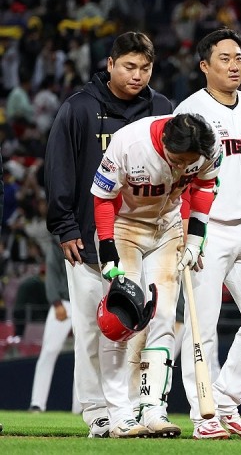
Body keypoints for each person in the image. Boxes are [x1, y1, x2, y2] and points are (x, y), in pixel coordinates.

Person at [44, 32, 173, 438]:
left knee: (139, 327)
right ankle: (97, 411)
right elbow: (59, 169)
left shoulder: (162, 108)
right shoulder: (79, 109)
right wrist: (64, 225)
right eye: (130, 66)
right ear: (111, 64)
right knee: (89, 327)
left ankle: (133, 408)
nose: (138, 75)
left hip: (145, 235)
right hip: (87, 235)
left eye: (145, 68)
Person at [173, 28, 241, 440]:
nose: (235, 64)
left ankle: (225, 398)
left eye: (238, 57)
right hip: (206, 229)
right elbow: (178, 173)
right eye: (225, 58)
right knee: (202, 324)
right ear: (204, 65)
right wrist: (188, 230)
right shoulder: (190, 111)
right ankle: (203, 413)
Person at [90, 112, 221, 438]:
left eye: (187, 163)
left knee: (163, 318)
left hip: (168, 229)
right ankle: (120, 414)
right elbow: (103, 199)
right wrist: (107, 252)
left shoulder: (210, 147)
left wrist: (196, 238)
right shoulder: (129, 143)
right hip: (124, 227)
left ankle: (153, 409)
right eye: (177, 160)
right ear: (164, 142)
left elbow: (205, 187)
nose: (180, 168)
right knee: (123, 321)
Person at [29, 236, 73, 413]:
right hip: (63, 303)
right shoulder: (58, 243)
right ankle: (37, 403)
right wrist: (55, 302)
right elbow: (52, 274)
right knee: (48, 351)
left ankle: (82, 406)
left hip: (83, 302)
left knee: (86, 354)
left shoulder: (87, 238)